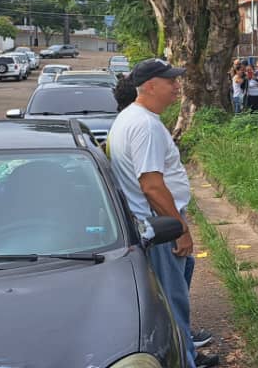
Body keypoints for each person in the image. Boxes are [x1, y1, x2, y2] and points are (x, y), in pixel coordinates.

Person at [107, 59, 220, 368]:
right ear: (150, 86)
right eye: (171, 81)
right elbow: (152, 186)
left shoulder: (131, 118)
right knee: (173, 302)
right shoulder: (144, 125)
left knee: (170, 297)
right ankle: (185, 361)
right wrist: (180, 227)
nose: (176, 87)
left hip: (150, 224)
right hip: (159, 228)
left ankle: (188, 353)